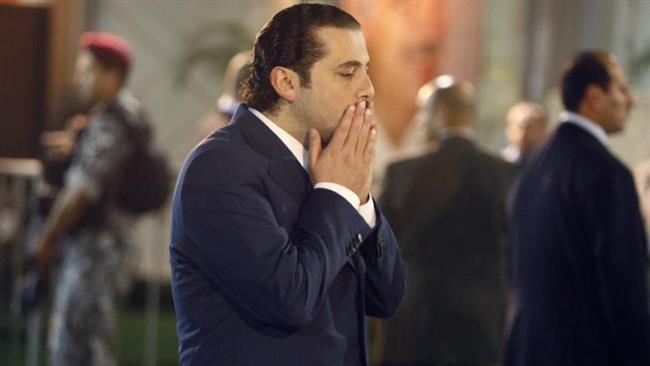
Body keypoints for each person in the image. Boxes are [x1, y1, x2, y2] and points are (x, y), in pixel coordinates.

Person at [169, 4, 406, 366]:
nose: (368, 90)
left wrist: (360, 200)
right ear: (287, 83)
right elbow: (287, 299)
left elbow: (385, 297)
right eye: (347, 73)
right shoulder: (220, 166)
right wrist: (338, 194)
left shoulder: (330, 163)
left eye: (366, 71)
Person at [505, 51, 650, 365]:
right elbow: (623, 285)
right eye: (622, 90)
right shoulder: (607, 173)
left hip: (529, 348)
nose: (631, 101)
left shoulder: (533, 161)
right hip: (585, 351)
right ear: (594, 97)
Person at [379, 75, 513, 366]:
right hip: (482, 319)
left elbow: (382, 247)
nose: (418, 121)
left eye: (422, 112)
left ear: (441, 114)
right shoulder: (506, 174)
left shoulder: (402, 172)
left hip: (417, 317)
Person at [33, 32, 146, 366]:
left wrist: (46, 239)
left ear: (111, 75)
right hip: (105, 246)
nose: (78, 79)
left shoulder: (113, 120)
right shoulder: (121, 116)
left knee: (83, 344)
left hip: (99, 249)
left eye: (87, 71)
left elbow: (82, 190)